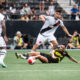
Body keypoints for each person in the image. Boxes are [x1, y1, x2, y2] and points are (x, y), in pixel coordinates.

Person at [15, 44, 80, 63]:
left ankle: (28, 58)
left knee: (39, 56)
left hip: (55, 60)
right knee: (35, 53)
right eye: (61, 47)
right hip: (49, 58)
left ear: (64, 48)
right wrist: (53, 55)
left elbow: (71, 58)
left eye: (62, 48)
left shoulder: (66, 53)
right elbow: (52, 51)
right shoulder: (57, 49)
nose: (61, 48)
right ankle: (21, 55)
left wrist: (77, 61)